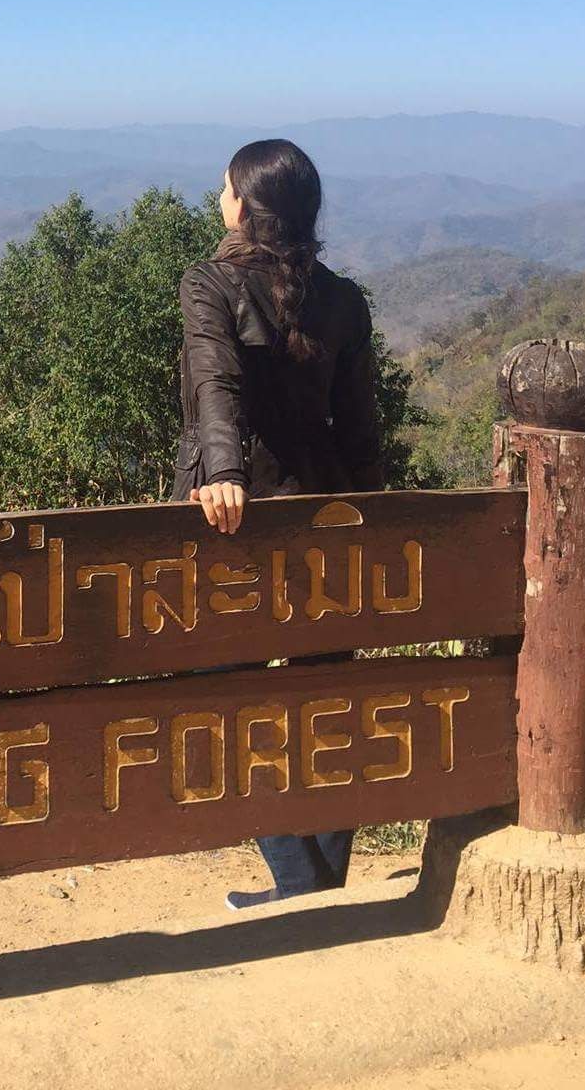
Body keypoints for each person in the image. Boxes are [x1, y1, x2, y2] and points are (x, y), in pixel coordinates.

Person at [171, 137, 384, 910]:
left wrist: (223, 476)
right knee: (327, 700)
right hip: (330, 516)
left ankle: (298, 883)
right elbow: (360, 427)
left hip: (238, 522)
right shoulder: (344, 297)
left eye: (225, 187)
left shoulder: (208, 283)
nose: (218, 196)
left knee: (221, 698)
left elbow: (212, 377)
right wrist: (374, 509)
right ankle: (319, 882)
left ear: (245, 205)